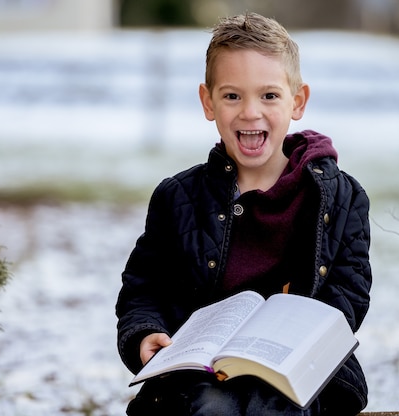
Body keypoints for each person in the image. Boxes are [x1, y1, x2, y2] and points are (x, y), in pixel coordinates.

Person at [116, 12, 371, 416]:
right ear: (208, 102)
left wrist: (302, 338)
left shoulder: (340, 198)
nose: (250, 112)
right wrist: (145, 333)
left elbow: (349, 291)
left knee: (276, 407)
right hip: (200, 373)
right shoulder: (178, 197)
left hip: (295, 372)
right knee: (210, 407)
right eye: (233, 96)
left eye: (269, 95)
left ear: (297, 101)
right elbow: (145, 286)